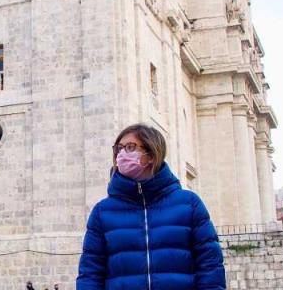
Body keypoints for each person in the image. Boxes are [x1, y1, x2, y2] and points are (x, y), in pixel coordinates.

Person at [76, 123, 226, 289]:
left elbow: (210, 266)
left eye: (130, 147)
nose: (122, 154)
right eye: (119, 149)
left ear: (152, 154)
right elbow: (90, 273)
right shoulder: (102, 212)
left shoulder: (189, 204)